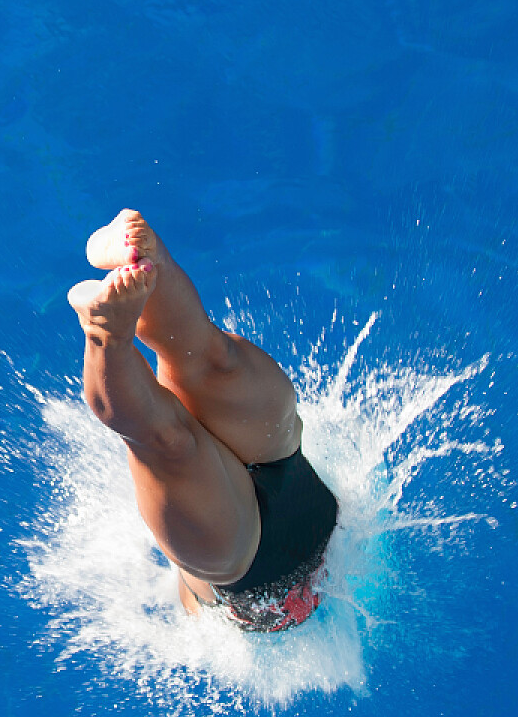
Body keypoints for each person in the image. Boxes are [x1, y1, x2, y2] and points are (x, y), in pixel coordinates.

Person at [67, 210, 338, 632]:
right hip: (289, 474)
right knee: (216, 361)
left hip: (236, 566)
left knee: (171, 443)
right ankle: (142, 257)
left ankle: (105, 330)